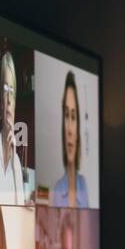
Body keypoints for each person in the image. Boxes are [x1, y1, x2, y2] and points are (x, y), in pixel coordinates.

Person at [0, 51, 24, 205]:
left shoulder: (17, 161)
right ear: (1, 101)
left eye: (12, 92)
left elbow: (20, 211)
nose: (8, 99)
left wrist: (14, 162)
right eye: (5, 90)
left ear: (15, 105)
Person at [50, 71, 89, 208]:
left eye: (74, 116)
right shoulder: (57, 189)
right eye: (66, 116)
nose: (70, 130)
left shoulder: (83, 185)